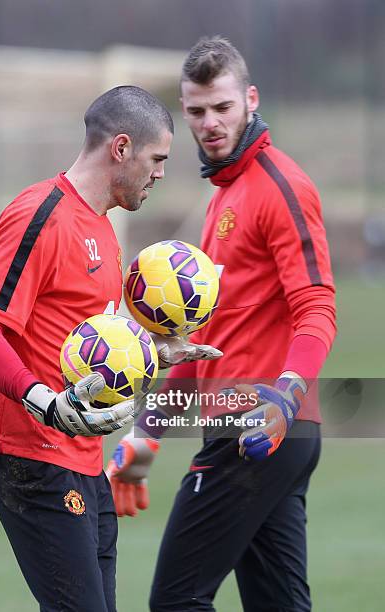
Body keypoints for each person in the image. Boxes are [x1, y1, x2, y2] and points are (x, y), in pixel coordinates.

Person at [0, 85, 221, 612]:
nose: (161, 172)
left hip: (83, 456)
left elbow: (90, 342)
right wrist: (47, 402)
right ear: (121, 148)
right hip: (29, 455)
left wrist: (152, 353)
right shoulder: (41, 215)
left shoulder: (101, 225)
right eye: (157, 158)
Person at [107, 37, 337, 611]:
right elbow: (206, 344)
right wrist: (145, 435)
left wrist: (285, 397)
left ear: (250, 100)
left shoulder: (280, 187)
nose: (210, 123)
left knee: (176, 601)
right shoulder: (224, 197)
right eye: (196, 111)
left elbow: (318, 307)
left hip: (257, 426)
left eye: (223, 107)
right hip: (257, 431)